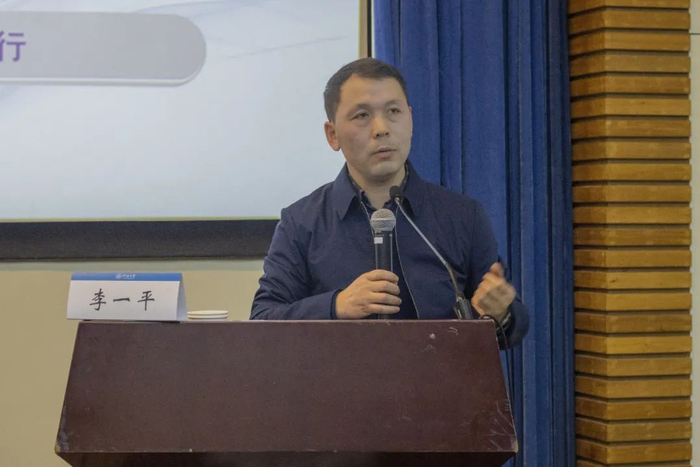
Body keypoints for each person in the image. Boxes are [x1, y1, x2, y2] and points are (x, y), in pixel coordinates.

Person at [250, 58, 529, 346]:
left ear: (410, 120)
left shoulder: (462, 216)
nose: (381, 128)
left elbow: (512, 324)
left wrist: (502, 314)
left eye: (393, 111)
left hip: (440, 374)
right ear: (333, 135)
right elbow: (263, 319)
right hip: (343, 375)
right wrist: (336, 306)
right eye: (362, 115)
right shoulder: (301, 222)